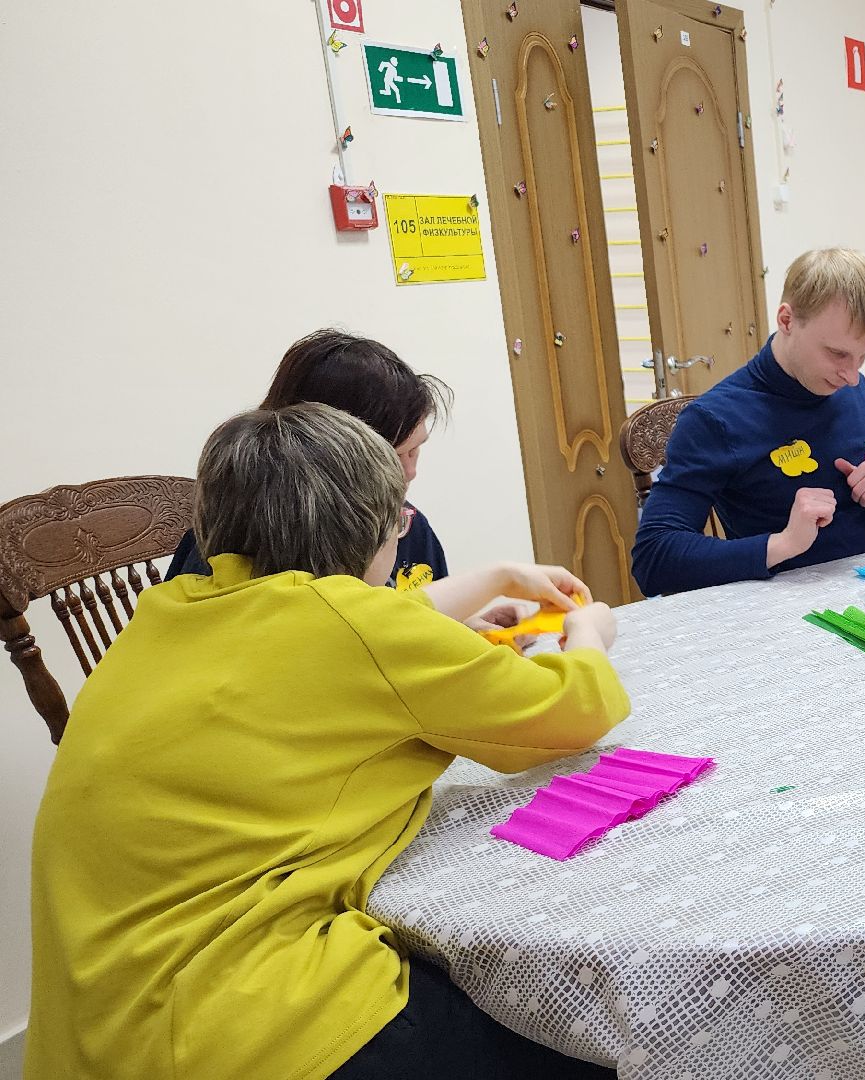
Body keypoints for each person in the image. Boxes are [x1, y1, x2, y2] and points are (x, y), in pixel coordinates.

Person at [29, 404, 629, 1079]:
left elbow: (341, 625)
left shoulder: (169, 613)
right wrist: (589, 634)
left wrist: (495, 578)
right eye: (399, 520)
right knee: (593, 1045)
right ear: (375, 529)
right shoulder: (359, 631)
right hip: (242, 1026)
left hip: (97, 1024)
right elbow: (576, 709)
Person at [630, 248, 865, 596]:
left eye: (863, 356)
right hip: (781, 613)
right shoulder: (715, 420)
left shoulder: (855, 390)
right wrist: (782, 544)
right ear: (787, 320)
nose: (852, 376)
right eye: (837, 354)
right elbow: (654, 558)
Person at [168, 328, 453, 594]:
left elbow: (425, 618)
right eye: (393, 456)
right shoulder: (230, 559)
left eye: (415, 451)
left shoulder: (409, 527)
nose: (409, 472)